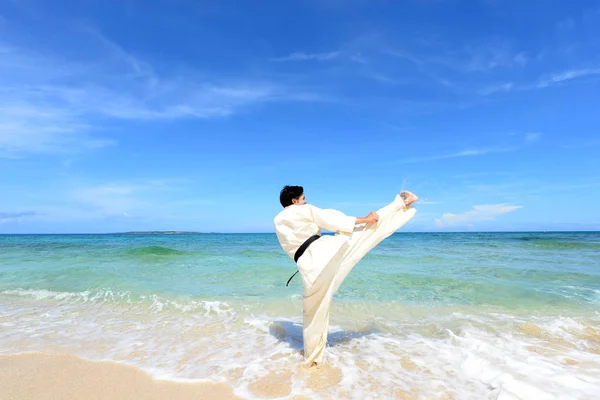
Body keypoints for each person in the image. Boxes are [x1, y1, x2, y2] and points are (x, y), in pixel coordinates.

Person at [273, 185, 418, 367]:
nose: (305, 201)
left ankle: (312, 358)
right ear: (294, 201)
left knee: (313, 312)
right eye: (303, 199)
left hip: (307, 267)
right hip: (324, 254)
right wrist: (365, 218)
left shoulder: (278, 220)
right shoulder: (303, 210)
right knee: (363, 232)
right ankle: (401, 203)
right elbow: (330, 219)